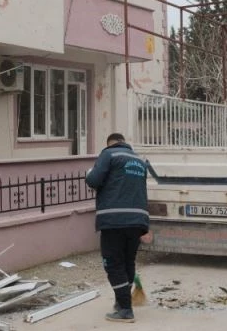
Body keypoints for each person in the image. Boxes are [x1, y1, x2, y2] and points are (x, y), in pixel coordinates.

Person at [85, 133, 149, 323]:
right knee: (128, 262)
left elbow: (93, 180)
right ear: (124, 142)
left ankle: (126, 310)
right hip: (138, 220)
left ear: (110, 144)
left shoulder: (109, 154)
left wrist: (89, 173)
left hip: (114, 219)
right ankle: (122, 303)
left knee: (113, 264)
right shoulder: (140, 161)